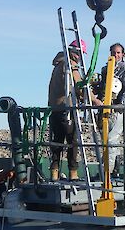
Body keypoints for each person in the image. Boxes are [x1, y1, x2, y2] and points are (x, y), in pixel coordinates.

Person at [48, 39, 103, 181]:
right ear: (74, 52)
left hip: (54, 109)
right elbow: (79, 87)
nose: (79, 58)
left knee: (57, 142)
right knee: (73, 142)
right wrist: (95, 100)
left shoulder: (58, 64)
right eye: (79, 54)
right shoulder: (69, 66)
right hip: (67, 110)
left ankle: (54, 173)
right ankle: (73, 173)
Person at [99, 43, 125, 177]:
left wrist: (122, 103)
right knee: (103, 140)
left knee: (111, 140)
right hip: (104, 109)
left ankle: (107, 173)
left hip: (117, 110)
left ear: (123, 54)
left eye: (118, 53)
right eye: (114, 53)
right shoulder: (106, 69)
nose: (116, 55)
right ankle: (111, 169)